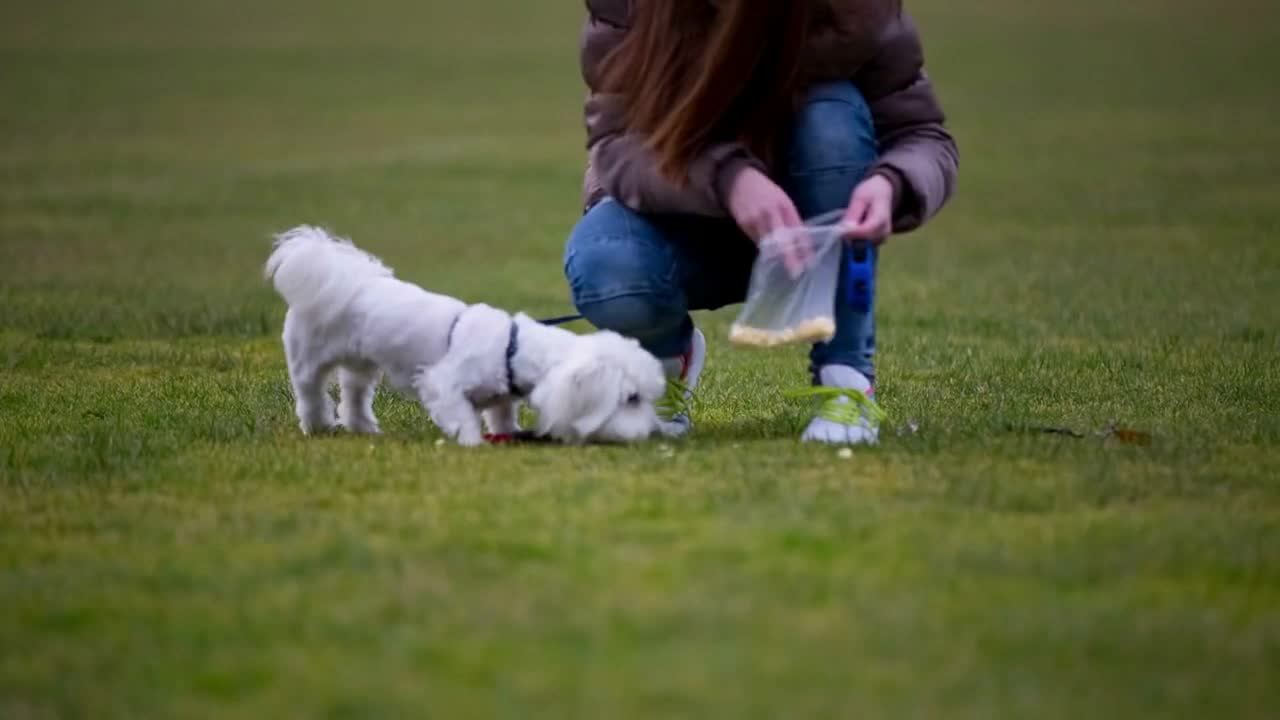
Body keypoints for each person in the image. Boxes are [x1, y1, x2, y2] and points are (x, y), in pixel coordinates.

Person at [563, 0, 958, 444]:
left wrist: (892, 183)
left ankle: (845, 382)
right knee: (606, 267)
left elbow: (923, 136)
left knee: (831, 115)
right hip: (681, 215)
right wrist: (729, 179)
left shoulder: (854, 11)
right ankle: (663, 366)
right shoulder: (630, 8)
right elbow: (617, 145)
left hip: (815, 226)